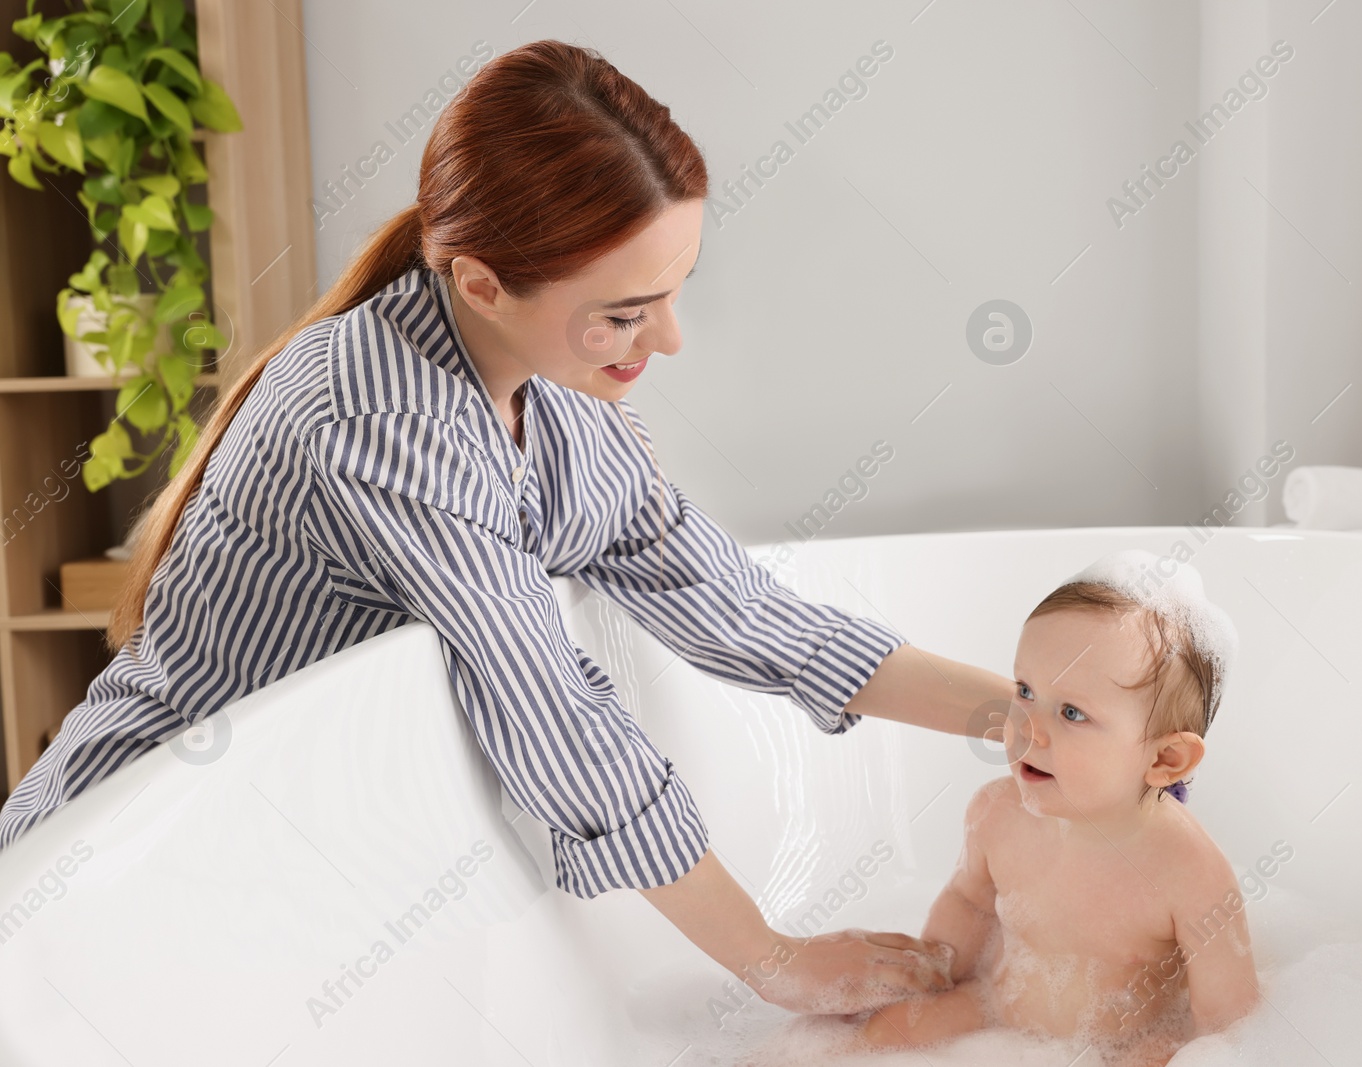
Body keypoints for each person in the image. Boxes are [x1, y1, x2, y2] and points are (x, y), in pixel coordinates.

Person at [0, 40, 1014, 1015]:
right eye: (623, 312)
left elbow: (747, 611)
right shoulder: (385, 419)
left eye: (672, 294)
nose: (665, 339)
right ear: (482, 281)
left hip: (278, 874)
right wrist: (775, 959)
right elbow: (551, 712)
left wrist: (1034, 719)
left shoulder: (556, 400)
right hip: (116, 874)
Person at [853, 550, 1260, 1062]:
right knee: (878, 1036)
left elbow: (1230, 1021)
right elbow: (968, 902)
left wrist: (1175, 1051)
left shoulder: (1190, 872)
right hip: (996, 1006)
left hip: (1121, 1044)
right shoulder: (996, 813)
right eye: (1025, 691)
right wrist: (934, 972)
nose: (1028, 726)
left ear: (1165, 758)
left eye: (1072, 712)